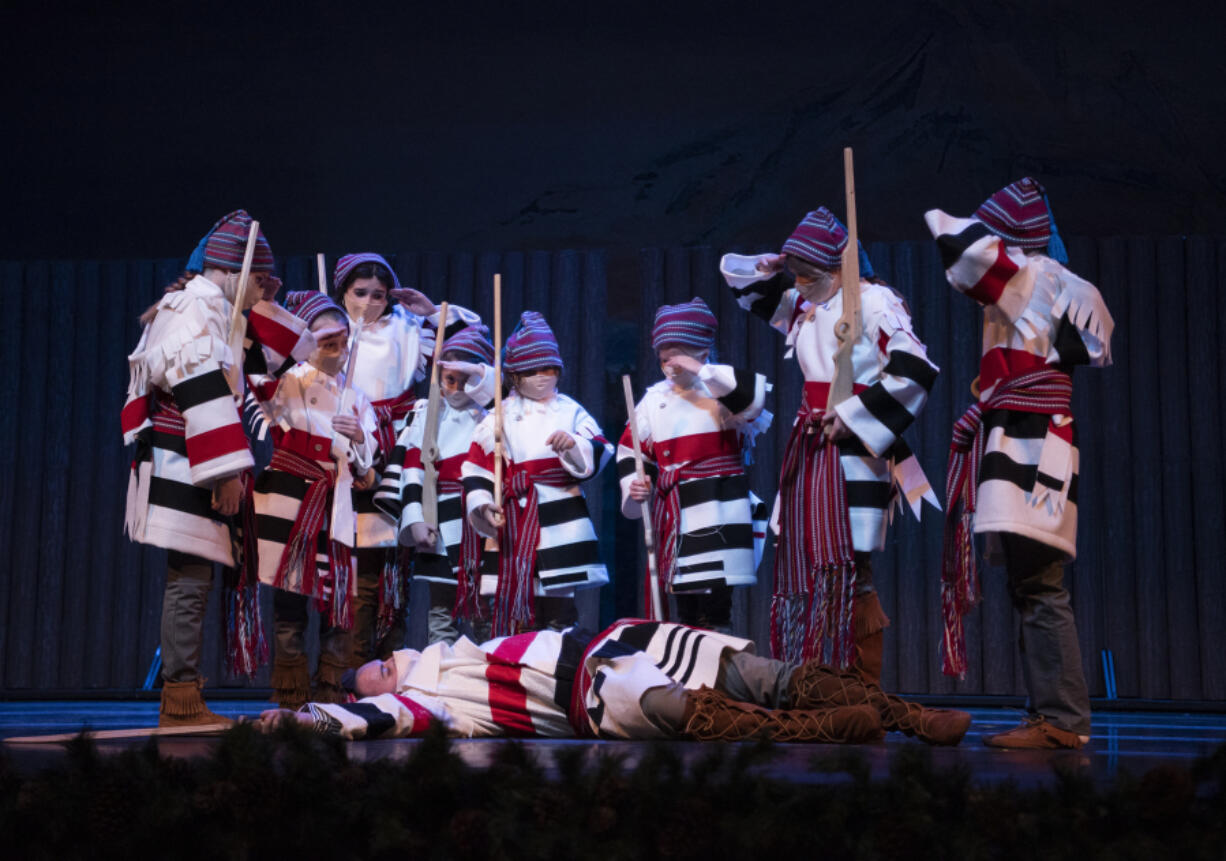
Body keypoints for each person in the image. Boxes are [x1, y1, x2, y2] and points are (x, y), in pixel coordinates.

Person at [925, 178, 1113, 749]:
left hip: (1031, 443)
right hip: (1027, 437)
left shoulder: (1027, 276)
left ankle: (1061, 721)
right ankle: (1052, 715)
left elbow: (947, 230)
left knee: (1040, 583)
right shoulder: (1053, 282)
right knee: (1032, 583)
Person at [721, 208, 939, 682]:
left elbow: (916, 371)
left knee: (849, 561)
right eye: (795, 276)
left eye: (809, 275)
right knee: (811, 558)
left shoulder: (875, 301)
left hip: (855, 447)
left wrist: (855, 417)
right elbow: (744, 286)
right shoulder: (809, 304)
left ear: (840, 269)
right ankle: (820, 674)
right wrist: (772, 267)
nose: (798, 285)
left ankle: (860, 683)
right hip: (812, 444)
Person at [122, 210, 316, 726]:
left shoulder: (216, 311)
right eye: (257, 279)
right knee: (189, 576)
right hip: (187, 455)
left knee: (193, 575)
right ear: (232, 270)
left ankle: (183, 696)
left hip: (192, 452)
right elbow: (202, 391)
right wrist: (224, 473)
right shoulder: (193, 311)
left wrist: (266, 301)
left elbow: (266, 362)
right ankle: (181, 700)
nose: (262, 289)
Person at [255, 619, 971, 746]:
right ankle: (828, 729)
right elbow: (382, 719)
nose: (395, 657)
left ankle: (903, 714)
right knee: (686, 708)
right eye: (380, 668)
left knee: (761, 672)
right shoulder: (432, 699)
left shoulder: (462, 645)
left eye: (385, 658)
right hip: (592, 697)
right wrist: (310, 718)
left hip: (617, 641)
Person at [329, 253, 482, 667]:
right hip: (344, 441)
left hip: (395, 443)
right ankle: (345, 671)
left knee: (391, 566)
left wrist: (431, 312)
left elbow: (470, 345)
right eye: (360, 293)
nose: (368, 303)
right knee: (353, 565)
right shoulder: (331, 329)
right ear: (343, 290)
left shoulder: (406, 328)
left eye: (378, 295)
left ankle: (386, 666)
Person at [251, 291, 379, 708]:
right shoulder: (290, 380)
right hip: (290, 497)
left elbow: (367, 461)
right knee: (289, 596)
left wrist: (358, 438)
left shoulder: (356, 396)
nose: (334, 342)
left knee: (337, 598)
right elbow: (257, 383)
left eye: (339, 334)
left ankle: (330, 689)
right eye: (323, 334)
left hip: (335, 503)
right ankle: (290, 691)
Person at [619, 297, 771, 633]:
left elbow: (753, 401)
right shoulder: (653, 400)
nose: (672, 366)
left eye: (680, 356)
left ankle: (717, 673)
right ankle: (688, 673)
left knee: (715, 607)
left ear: (703, 352)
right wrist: (636, 483)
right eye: (664, 358)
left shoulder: (720, 391)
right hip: (676, 514)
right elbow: (631, 453)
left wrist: (701, 370)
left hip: (718, 506)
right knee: (685, 603)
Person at [462, 311, 611, 636]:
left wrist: (573, 445)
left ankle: (559, 673)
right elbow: (475, 469)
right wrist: (483, 505)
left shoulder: (569, 410)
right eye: (532, 370)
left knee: (559, 612)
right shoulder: (497, 417)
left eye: (549, 369)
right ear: (515, 375)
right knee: (518, 608)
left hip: (562, 519)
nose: (542, 376)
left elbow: (601, 448)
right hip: (515, 521)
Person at [374, 326, 497, 644]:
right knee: (442, 612)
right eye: (449, 379)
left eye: (466, 379)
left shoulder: (491, 418)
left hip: (478, 523)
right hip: (438, 521)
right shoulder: (425, 415)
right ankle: (439, 682)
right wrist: (416, 519)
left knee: (486, 611)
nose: (456, 388)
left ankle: (491, 681)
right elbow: (411, 471)